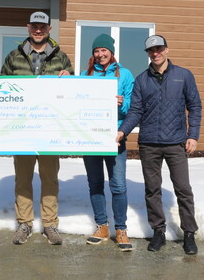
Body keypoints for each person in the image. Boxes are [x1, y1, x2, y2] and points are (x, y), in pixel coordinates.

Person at [116, 35, 202, 255]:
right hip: (149, 144)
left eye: (159, 49)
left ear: (167, 50)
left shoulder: (183, 76)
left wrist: (193, 135)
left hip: (176, 144)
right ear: (148, 54)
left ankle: (189, 234)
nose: (156, 53)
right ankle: (158, 232)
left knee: (183, 189)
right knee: (152, 190)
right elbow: (135, 110)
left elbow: (195, 106)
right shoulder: (142, 80)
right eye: (151, 50)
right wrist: (123, 130)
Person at [0, 11, 73, 246]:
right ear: (28, 27)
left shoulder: (61, 58)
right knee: (23, 178)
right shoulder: (14, 56)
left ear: (49, 29)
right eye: (34, 26)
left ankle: (50, 224)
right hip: (22, 130)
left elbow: (71, 92)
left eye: (42, 26)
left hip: (51, 130)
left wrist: (69, 77)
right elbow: (2, 88)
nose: (38, 30)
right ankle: (25, 223)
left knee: (50, 178)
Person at [80, 34, 135, 251]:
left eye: (104, 50)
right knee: (95, 183)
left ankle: (121, 229)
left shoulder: (126, 74)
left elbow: (132, 106)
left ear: (111, 52)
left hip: (115, 137)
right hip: (91, 138)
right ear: (92, 53)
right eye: (96, 51)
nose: (100, 54)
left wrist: (122, 103)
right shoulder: (85, 75)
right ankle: (102, 226)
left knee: (118, 185)